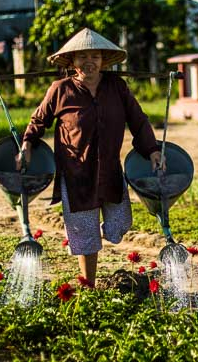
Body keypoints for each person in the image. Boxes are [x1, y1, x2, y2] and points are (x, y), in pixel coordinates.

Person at [17, 28, 163, 287]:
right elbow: (39, 120)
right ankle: (89, 286)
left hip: (109, 170)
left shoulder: (117, 87)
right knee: (85, 236)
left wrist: (152, 149)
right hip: (76, 176)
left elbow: (138, 121)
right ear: (72, 62)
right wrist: (27, 143)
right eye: (82, 56)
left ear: (103, 60)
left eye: (94, 56)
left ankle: (92, 236)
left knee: (120, 222)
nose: (89, 62)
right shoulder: (60, 90)